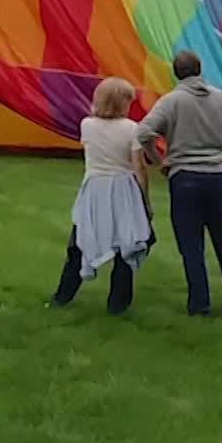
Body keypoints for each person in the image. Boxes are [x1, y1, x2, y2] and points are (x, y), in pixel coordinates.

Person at [136, 50, 222, 317]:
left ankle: (199, 304)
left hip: (184, 177)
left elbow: (143, 132)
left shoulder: (171, 101)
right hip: (215, 176)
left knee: (192, 245)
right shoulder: (221, 98)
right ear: (200, 68)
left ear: (176, 72)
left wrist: (160, 161)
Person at [50, 77, 155, 315]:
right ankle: (118, 304)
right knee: (126, 243)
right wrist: (145, 201)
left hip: (95, 189)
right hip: (123, 189)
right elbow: (139, 167)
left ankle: (63, 295)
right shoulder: (132, 128)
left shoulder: (87, 125)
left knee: (81, 240)